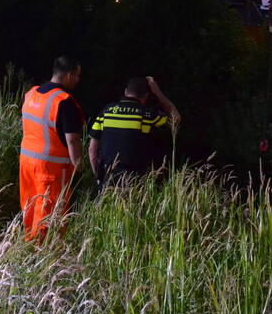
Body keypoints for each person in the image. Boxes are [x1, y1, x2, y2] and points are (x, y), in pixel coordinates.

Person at [19, 55, 85, 241]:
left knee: (30, 207)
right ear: (70, 75)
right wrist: (78, 166)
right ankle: (45, 255)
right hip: (52, 169)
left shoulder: (32, 94)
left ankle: (29, 246)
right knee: (49, 214)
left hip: (27, 164)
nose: (78, 80)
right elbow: (72, 140)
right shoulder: (65, 102)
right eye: (78, 76)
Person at [88, 76, 179, 185]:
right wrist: (158, 93)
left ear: (126, 91)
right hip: (134, 180)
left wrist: (98, 177)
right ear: (146, 96)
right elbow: (176, 118)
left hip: (107, 178)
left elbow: (92, 149)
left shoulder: (106, 111)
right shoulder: (147, 115)